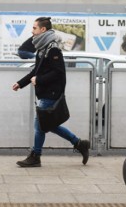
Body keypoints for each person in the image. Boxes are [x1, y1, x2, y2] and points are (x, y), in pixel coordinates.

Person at [11, 17, 90, 167]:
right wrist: (20, 83)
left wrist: (39, 80)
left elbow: (59, 72)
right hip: (46, 92)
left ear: (43, 30)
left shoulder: (53, 48)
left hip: (51, 93)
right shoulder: (43, 47)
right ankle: (79, 144)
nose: (32, 31)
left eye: (34, 28)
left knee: (40, 126)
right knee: (48, 125)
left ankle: (36, 156)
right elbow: (36, 71)